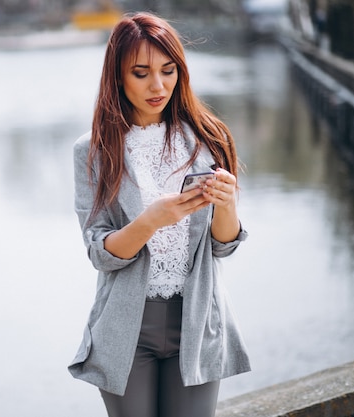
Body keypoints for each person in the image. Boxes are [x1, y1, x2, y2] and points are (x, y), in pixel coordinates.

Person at [67, 12, 251, 417]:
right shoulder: (93, 152)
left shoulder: (209, 138)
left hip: (197, 320)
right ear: (118, 76)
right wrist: (151, 219)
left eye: (168, 71)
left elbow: (223, 246)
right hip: (127, 329)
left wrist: (227, 203)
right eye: (141, 73)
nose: (158, 85)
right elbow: (100, 252)